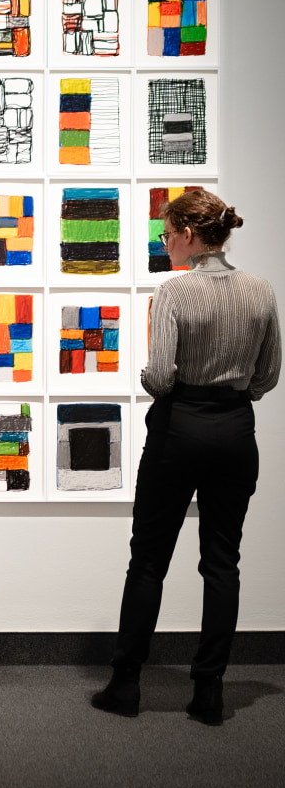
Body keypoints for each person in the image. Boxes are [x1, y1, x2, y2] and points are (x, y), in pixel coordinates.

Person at [93, 190, 280, 725]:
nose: (165, 241)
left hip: (179, 429)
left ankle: (126, 684)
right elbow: (268, 375)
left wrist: (152, 379)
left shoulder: (173, 291)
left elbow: (160, 376)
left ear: (190, 236)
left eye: (168, 233)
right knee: (222, 561)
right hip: (235, 431)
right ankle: (209, 692)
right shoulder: (262, 290)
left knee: (149, 558)